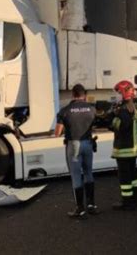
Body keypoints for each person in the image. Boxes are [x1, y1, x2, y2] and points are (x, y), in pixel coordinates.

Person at [55, 84, 99, 218]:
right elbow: (95, 124)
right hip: (88, 143)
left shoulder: (65, 111)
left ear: (73, 94)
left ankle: (80, 208)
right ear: (83, 95)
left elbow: (57, 132)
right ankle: (91, 205)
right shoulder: (92, 109)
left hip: (74, 145)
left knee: (76, 176)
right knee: (88, 173)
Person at [111, 80, 137, 210]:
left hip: (124, 148)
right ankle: (136, 200)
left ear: (124, 92)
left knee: (124, 177)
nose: (116, 95)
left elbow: (120, 126)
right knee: (133, 175)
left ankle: (127, 202)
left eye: (118, 92)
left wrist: (112, 119)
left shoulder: (124, 109)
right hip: (132, 148)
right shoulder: (132, 106)